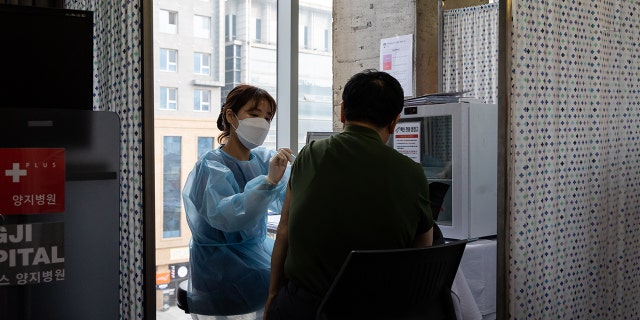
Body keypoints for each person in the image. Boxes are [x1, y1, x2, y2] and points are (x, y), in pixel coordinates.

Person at [264, 69, 434, 319]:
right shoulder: (413, 172)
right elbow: (423, 252)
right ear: (395, 121)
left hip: (302, 307)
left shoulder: (309, 155)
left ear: (342, 111)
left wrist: (272, 296)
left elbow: (283, 231)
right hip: (375, 309)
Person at [182, 84, 294, 317]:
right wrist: (269, 182)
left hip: (253, 255)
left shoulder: (264, 159)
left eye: (268, 117)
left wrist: (299, 175)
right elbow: (230, 217)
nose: (262, 123)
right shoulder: (211, 165)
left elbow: (288, 199)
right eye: (254, 114)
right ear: (231, 116)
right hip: (220, 268)